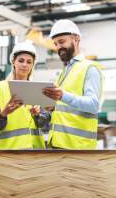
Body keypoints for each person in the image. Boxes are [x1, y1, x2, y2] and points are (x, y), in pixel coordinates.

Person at [42, 19, 103, 150]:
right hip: (58, 144)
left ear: (76, 39)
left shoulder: (90, 68)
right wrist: (52, 107)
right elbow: (65, 105)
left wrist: (62, 96)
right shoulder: (64, 72)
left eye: (62, 42)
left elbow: (93, 105)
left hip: (78, 148)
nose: (58, 47)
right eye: (56, 44)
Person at [0, 41, 50, 150]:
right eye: (21, 60)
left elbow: (42, 123)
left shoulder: (39, 88)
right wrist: (3, 114)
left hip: (34, 151)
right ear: (13, 62)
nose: (24, 65)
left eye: (29, 62)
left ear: (32, 65)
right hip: (9, 151)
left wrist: (37, 115)